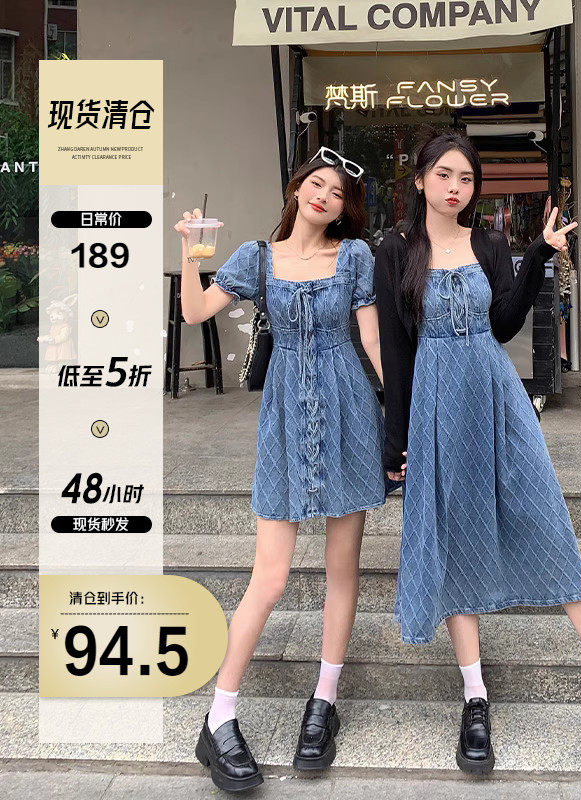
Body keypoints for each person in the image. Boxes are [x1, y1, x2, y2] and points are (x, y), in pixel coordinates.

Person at [375, 130, 581, 775]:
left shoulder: (486, 243)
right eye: (444, 175)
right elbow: (396, 350)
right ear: (419, 179)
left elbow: (504, 322)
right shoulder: (394, 250)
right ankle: (474, 697)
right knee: (456, 536)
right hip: (437, 407)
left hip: (496, 395)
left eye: (466, 179)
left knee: (547, 518)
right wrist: (396, 442)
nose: (456, 188)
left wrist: (538, 254)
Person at [175, 147, 386, 792]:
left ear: (345, 210)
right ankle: (220, 716)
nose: (324, 196)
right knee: (268, 578)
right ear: (297, 190)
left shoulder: (355, 257)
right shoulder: (255, 257)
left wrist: (403, 419)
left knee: (342, 568)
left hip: (349, 412)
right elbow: (194, 312)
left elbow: (372, 340)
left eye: (338, 193)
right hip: (286, 420)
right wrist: (189, 251)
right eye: (316, 184)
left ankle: (324, 701)